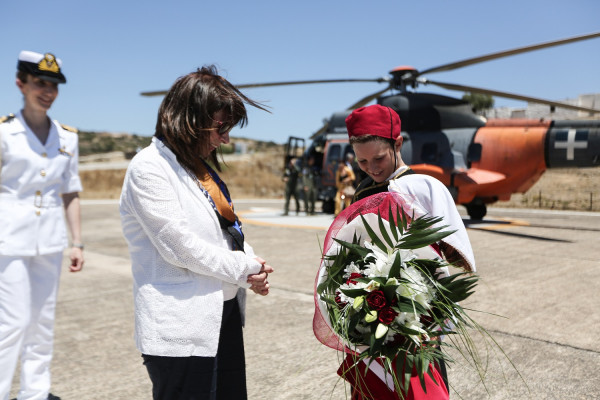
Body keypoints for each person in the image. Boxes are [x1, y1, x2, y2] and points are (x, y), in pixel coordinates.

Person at [119, 65, 273, 400]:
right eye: (220, 127)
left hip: (221, 314)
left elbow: (226, 229)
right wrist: (245, 269)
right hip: (181, 330)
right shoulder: (149, 168)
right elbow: (181, 247)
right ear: (190, 120)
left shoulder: (195, 168)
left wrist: (251, 266)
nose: (225, 139)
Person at [345, 104, 476, 399]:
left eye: (378, 158)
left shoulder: (422, 188)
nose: (372, 167)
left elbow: (447, 254)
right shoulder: (363, 191)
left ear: (398, 143)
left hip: (415, 315)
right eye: (362, 162)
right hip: (371, 314)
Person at [0, 51, 84, 400]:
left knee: (42, 322)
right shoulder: (5, 132)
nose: (47, 91)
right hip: (9, 238)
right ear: (21, 83)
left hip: (49, 238)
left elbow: (71, 192)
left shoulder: (67, 137)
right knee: (13, 323)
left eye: (53, 85)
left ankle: (34, 393)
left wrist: (77, 242)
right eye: (39, 83)